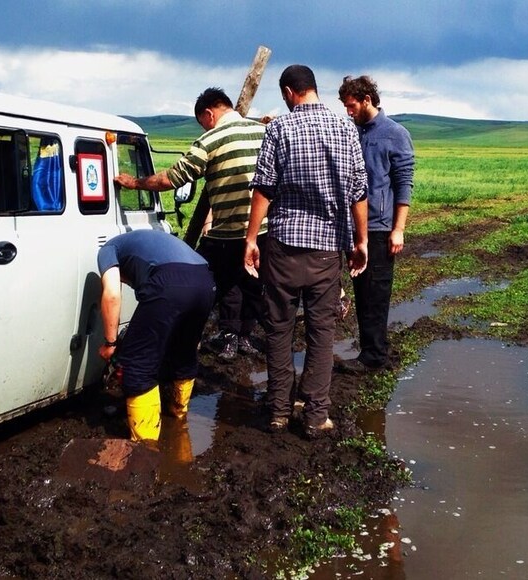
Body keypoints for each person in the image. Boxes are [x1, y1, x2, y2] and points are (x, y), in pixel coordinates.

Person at [244, 64, 369, 439]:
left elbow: (264, 188)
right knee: (321, 333)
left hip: (283, 247)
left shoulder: (279, 129)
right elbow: (359, 191)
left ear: (287, 93)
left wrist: (251, 240)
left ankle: (279, 411)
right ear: (314, 89)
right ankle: (316, 416)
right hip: (327, 251)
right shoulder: (347, 128)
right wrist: (361, 242)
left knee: (279, 329)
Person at [114, 87, 266, 362]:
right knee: (256, 286)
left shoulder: (210, 140)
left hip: (228, 234)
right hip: (265, 231)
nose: (203, 128)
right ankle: (246, 338)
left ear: (209, 113)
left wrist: (134, 182)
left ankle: (179, 346)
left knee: (199, 282)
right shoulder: (264, 133)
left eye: (202, 123)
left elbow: (170, 179)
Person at [97, 229, 216, 441]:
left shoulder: (108, 250)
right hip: (205, 281)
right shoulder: (149, 243)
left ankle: (146, 444)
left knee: (137, 365)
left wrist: (110, 343)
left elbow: (112, 295)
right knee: (183, 353)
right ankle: (178, 418)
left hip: (170, 281)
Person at [336, 75, 415, 373]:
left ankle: (374, 357)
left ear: (367, 99)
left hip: (381, 228)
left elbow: (404, 184)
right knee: (361, 290)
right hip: (353, 227)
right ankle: (370, 349)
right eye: (344, 106)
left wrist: (399, 229)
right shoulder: (352, 132)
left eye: (352, 105)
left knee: (375, 292)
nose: (348, 111)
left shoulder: (395, 134)